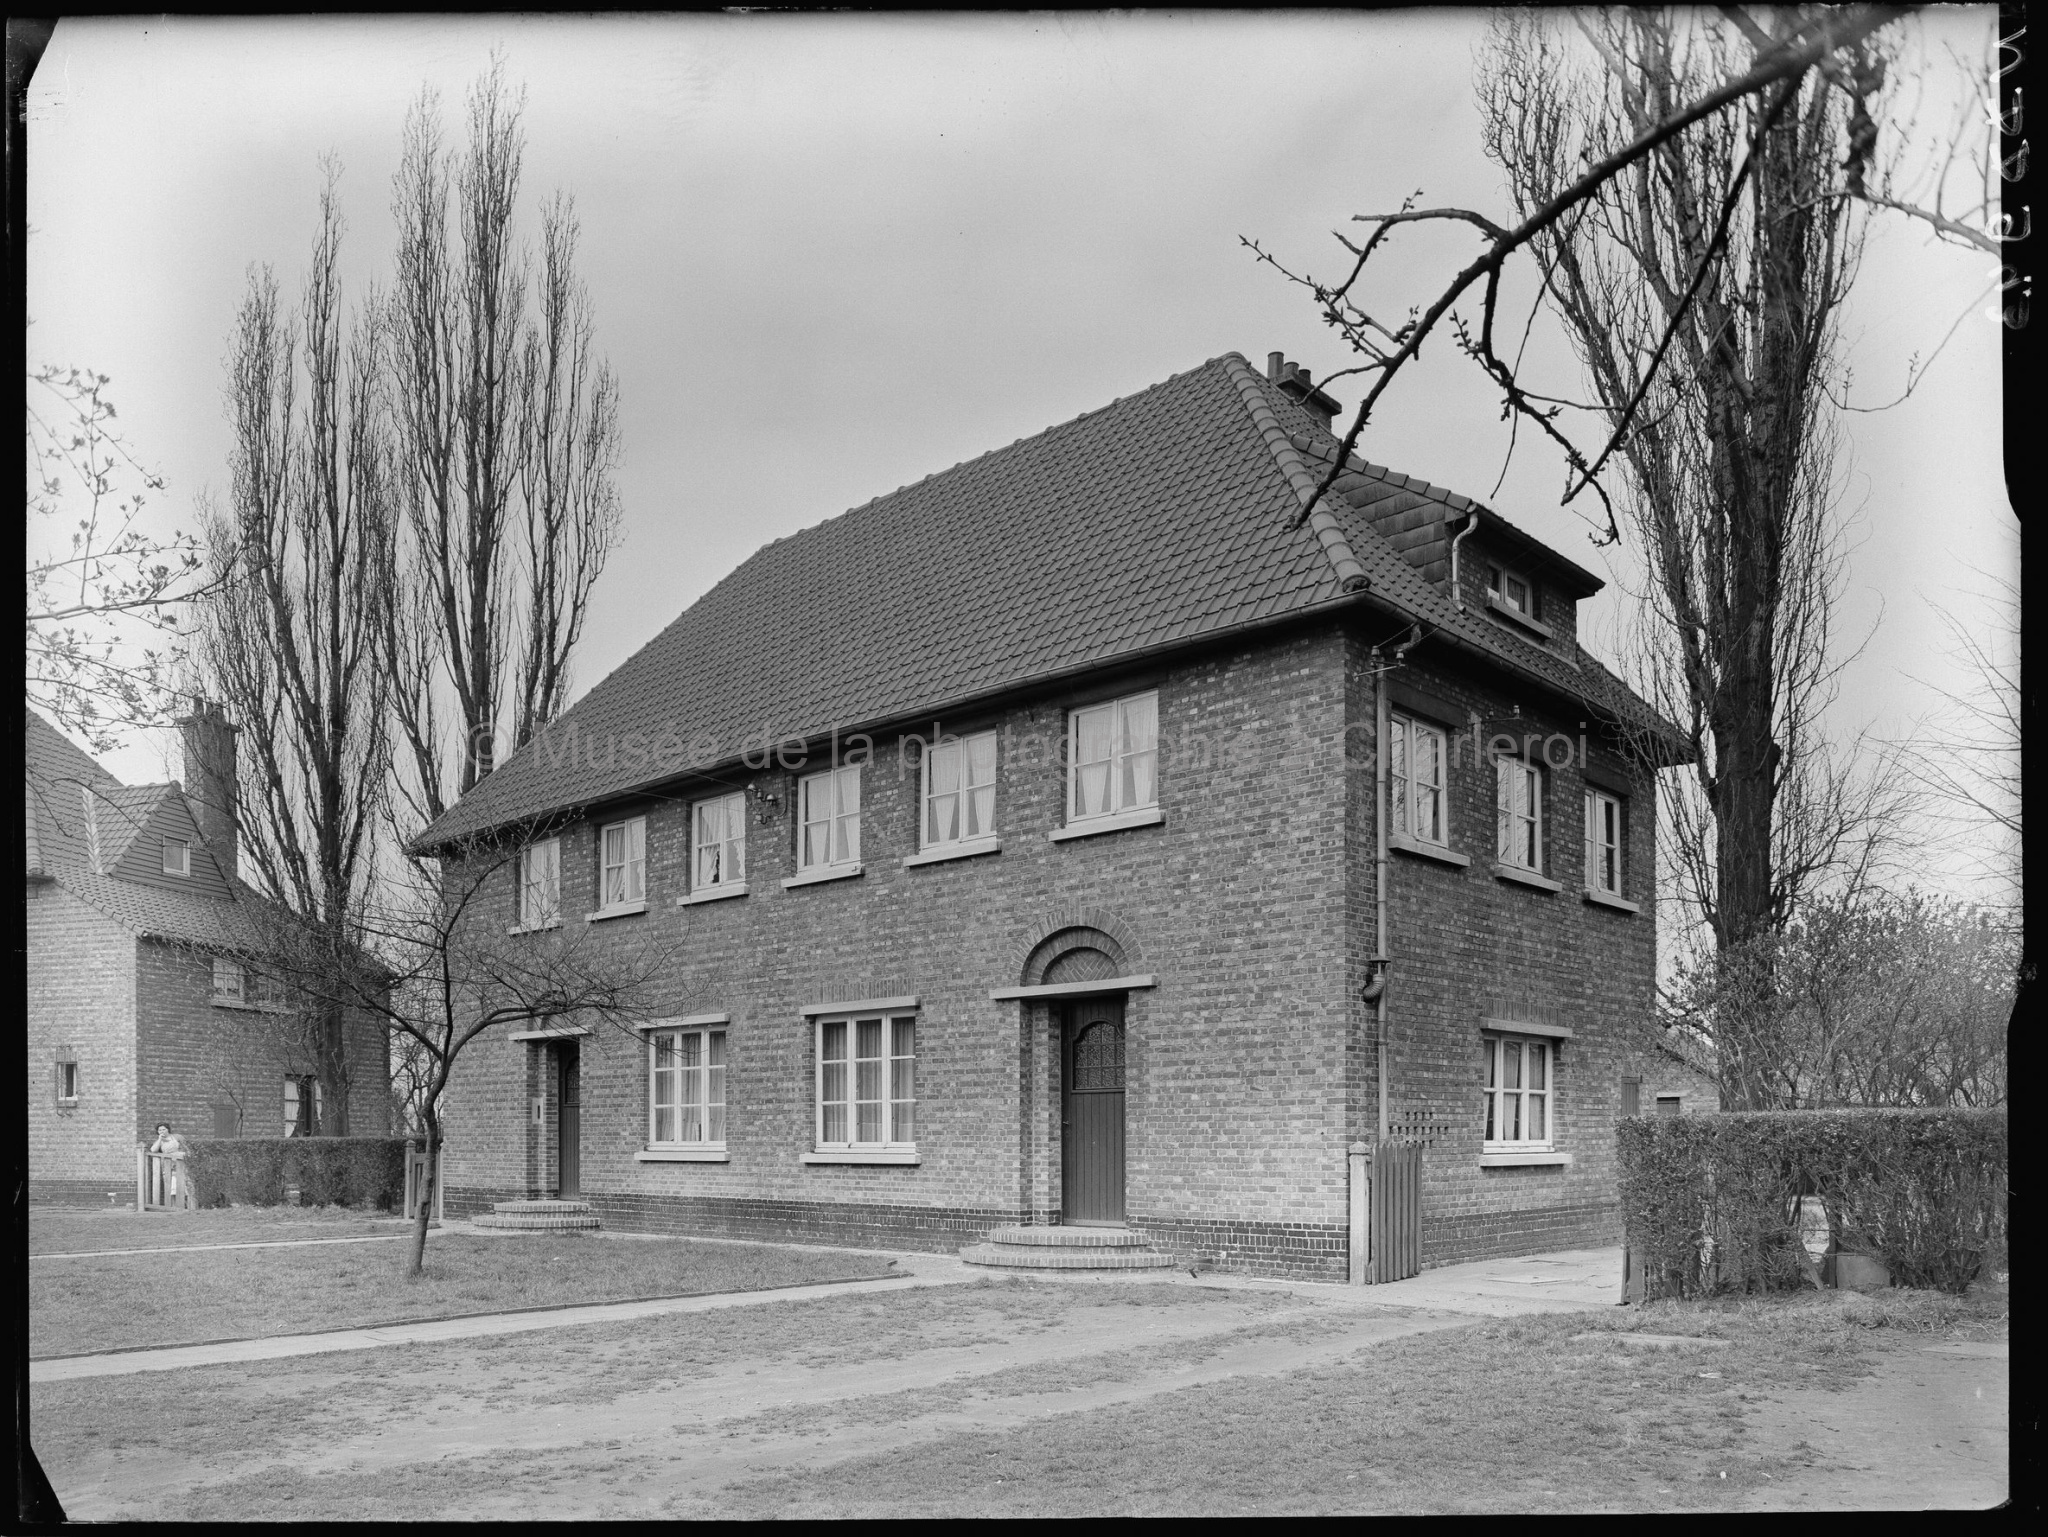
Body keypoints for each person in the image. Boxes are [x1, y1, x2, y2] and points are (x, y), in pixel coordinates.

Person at [147, 1122, 192, 1210]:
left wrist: (183, 1154)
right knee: (172, 1185)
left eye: (164, 1129)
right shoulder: (159, 1141)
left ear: (168, 1129)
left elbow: (187, 1149)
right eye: (159, 1130)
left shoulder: (177, 1137)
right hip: (169, 1166)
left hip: (181, 1163)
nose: (162, 1131)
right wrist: (160, 1139)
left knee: (185, 1183)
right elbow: (153, 1150)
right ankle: (174, 1206)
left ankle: (188, 1205)